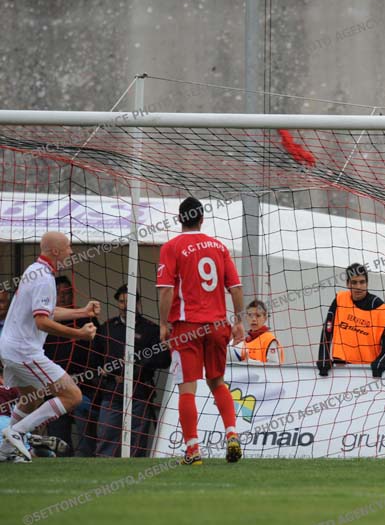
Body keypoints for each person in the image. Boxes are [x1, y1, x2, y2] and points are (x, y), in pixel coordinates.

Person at [157, 197, 244, 465]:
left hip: (188, 326)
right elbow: (236, 288)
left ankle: (193, 449)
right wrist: (239, 321)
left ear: (179, 218)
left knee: (187, 388)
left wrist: (163, 323)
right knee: (217, 381)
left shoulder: (172, 247)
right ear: (202, 219)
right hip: (218, 325)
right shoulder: (219, 247)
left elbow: (166, 291)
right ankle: (232, 434)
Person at [0, 232, 99, 462]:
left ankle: (4, 451)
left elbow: (48, 311)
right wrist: (79, 334)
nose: (71, 252)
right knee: (72, 395)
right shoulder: (44, 278)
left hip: (10, 348)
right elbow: (42, 322)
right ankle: (17, 432)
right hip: (24, 351)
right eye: (68, 247)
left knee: (31, 399)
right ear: (55, 251)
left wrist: (82, 312)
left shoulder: (34, 270)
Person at [94, 284, 168, 457]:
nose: (125, 305)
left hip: (139, 391)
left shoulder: (151, 329)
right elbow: (95, 356)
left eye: (130, 301)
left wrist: (136, 370)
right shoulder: (107, 328)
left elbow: (164, 360)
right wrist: (103, 372)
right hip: (112, 391)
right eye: (121, 301)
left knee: (137, 441)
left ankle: (136, 470)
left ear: (138, 303)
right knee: (106, 437)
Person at [44, 275, 100, 457]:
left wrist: (90, 376)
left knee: (87, 442)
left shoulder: (86, 320)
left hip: (83, 387)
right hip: (53, 388)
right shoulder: (44, 321)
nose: (62, 297)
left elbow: (98, 351)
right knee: (58, 440)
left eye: (66, 293)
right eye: (58, 293)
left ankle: (87, 461)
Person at [317, 263, 385, 378]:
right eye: (354, 282)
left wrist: (381, 363)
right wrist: (324, 358)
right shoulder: (340, 300)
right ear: (348, 284)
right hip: (340, 368)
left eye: (362, 282)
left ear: (367, 283)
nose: (358, 287)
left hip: (368, 371)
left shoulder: (377, 305)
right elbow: (327, 329)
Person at [229, 300, 282, 364]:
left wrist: (250, 362)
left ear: (265, 318)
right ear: (246, 317)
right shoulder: (244, 341)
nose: (253, 319)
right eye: (250, 315)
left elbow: (274, 366)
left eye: (258, 315)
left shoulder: (269, 339)